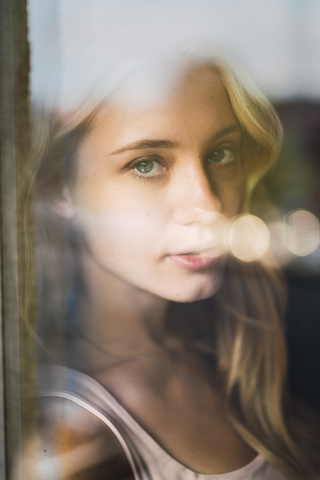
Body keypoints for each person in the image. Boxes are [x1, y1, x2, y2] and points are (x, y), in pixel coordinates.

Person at [17, 45, 317, 480]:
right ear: (59, 187)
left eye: (221, 154)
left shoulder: (238, 338)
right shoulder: (71, 431)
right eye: (147, 164)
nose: (208, 203)